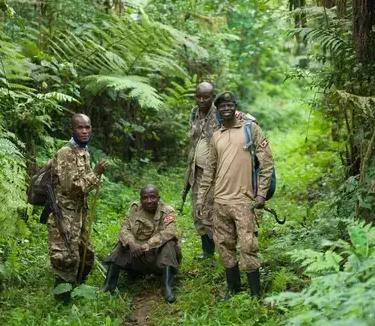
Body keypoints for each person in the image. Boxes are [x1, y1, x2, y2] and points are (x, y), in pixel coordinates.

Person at [196, 91, 274, 299]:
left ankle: (255, 293)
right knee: (224, 245)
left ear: (235, 106)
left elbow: (266, 164)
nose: (226, 108)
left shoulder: (251, 130)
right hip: (220, 202)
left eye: (230, 105)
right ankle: (233, 288)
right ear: (219, 110)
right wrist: (201, 198)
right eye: (222, 106)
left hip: (244, 201)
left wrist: (261, 195)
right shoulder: (216, 136)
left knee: (248, 245)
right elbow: (209, 170)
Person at [48, 114, 106, 304]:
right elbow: (71, 187)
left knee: (85, 252)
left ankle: (77, 289)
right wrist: (95, 174)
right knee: (65, 254)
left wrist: (93, 176)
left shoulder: (84, 151)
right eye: (80, 128)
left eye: (87, 127)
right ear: (72, 130)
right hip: (64, 211)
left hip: (79, 211)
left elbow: (85, 183)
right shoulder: (66, 153)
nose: (84, 131)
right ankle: (62, 299)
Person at [102, 185, 181, 303]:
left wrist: (148, 245)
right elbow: (124, 229)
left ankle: (168, 288)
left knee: (169, 244)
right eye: (145, 198)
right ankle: (109, 285)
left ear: (158, 198)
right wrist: (131, 243)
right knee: (121, 244)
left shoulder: (167, 210)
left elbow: (170, 232)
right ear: (141, 200)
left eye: (153, 197)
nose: (149, 201)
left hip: (157, 257)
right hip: (137, 255)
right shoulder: (134, 209)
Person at [182, 82, 219, 259]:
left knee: (209, 213)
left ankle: (220, 252)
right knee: (197, 211)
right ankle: (207, 252)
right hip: (195, 171)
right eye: (198, 96)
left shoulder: (221, 112)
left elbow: (246, 121)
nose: (202, 100)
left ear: (213, 96)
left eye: (206, 97)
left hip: (214, 174)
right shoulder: (194, 113)